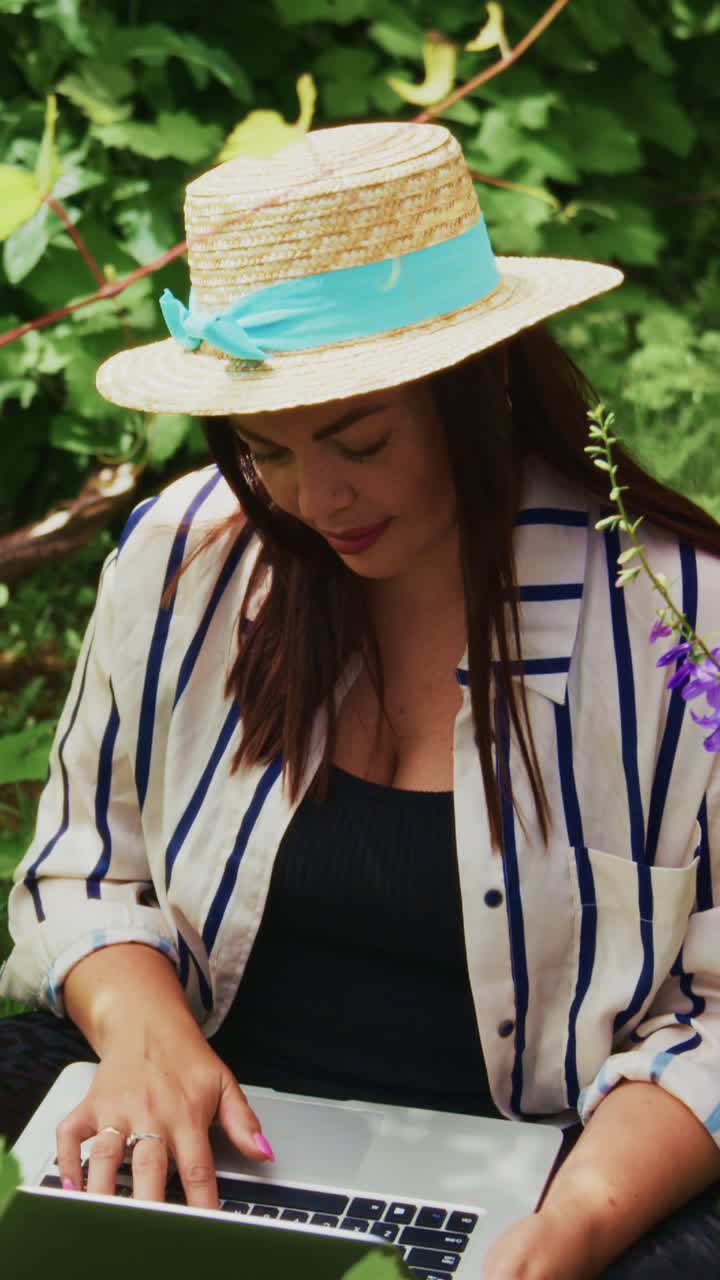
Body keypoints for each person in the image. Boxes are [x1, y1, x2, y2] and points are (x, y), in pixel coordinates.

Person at [1, 121, 719, 1279]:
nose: (312, 496)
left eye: (358, 439)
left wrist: (576, 1218)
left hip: (559, 1159)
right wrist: (145, 1034)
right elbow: (87, 868)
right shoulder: (186, 553)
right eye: (264, 450)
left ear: (478, 386)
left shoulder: (675, 618)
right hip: (225, 1128)